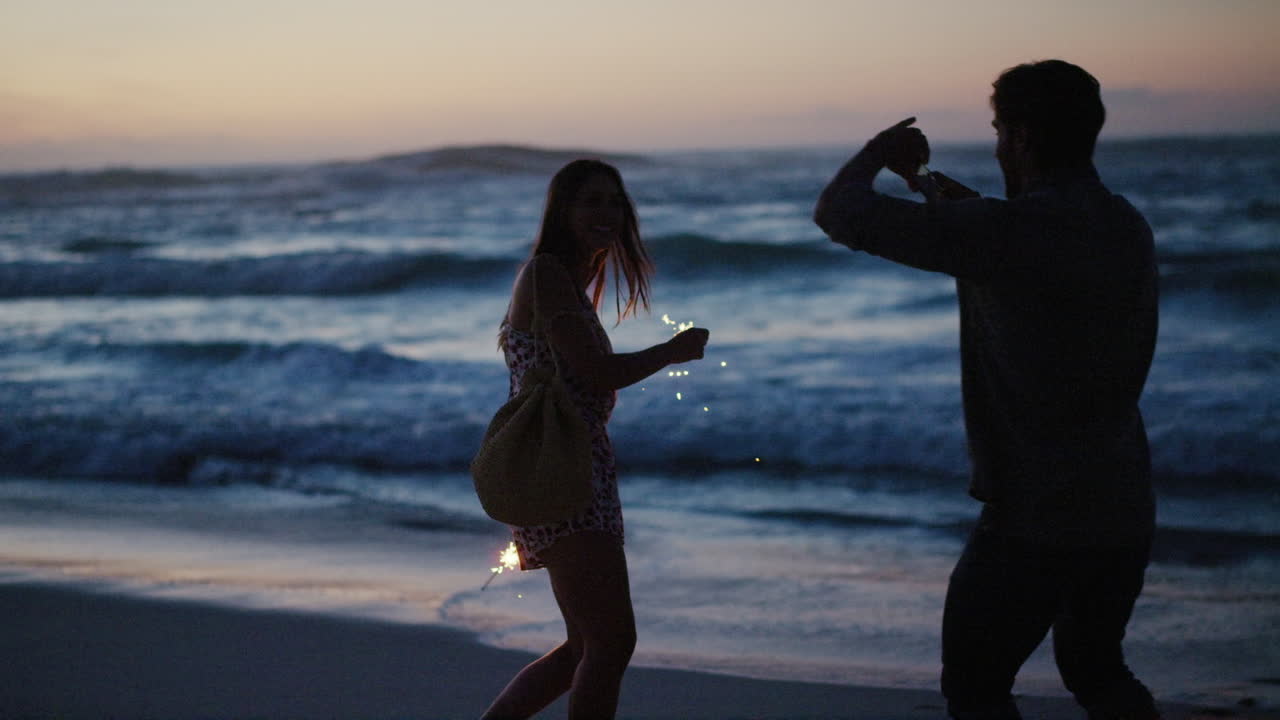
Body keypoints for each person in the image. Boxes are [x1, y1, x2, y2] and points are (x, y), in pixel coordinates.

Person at [813, 60, 1161, 720]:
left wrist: (877, 153)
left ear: (1024, 138)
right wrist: (944, 199)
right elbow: (1022, 253)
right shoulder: (1124, 224)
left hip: (1035, 514)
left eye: (1002, 131)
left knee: (975, 686)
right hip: (1123, 503)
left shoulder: (1007, 234)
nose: (1000, 144)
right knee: (1097, 668)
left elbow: (839, 211)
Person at [482, 159, 710, 720]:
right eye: (591, 202)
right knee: (610, 644)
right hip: (561, 474)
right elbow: (593, 373)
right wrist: (672, 351)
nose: (606, 213)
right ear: (563, 210)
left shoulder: (564, 279)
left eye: (614, 201)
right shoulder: (547, 274)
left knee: (586, 645)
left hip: (577, 470)